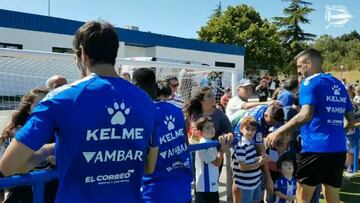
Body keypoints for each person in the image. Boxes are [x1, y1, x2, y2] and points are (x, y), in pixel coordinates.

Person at [0, 20, 159, 203]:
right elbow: (149, 167)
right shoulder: (146, 102)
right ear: (114, 54)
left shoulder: (60, 99)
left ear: (82, 54)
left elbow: (9, 165)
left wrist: (44, 152)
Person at [266, 48, 355, 203]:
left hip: (315, 148)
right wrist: (337, 130)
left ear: (309, 63)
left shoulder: (310, 82)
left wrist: (278, 131)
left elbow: (305, 114)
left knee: (302, 198)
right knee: (332, 197)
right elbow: (351, 119)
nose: (299, 71)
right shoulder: (339, 84)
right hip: (338, 149)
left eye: (300, 66)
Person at [132, 69, 193, 203]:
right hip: (183, 189)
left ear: (136, 87)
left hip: (155, 192)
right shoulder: (176, 110)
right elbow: (186, 144)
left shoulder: (142, 115)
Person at [0, 87, 49, 203]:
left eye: (48, 103)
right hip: (25, 194)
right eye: (40, 104)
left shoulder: (60, 131)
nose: (46, 108)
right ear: (29, 109)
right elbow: (5, 169)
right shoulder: (17, 134)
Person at [232, 116, 270, 203]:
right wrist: (259, 163)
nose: (250, 132)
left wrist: (261, 158)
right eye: (247, 129)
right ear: (241, 129)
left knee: (256, 199)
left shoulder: (250, 143)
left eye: (253, 129)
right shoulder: (241, 146)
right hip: (246, 184)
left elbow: (250, 159)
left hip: (254, 181)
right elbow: (243, 167)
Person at [194, 116, 228, 203]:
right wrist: (222, 149)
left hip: (212, 184)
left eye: (212, 126)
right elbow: (216, 163)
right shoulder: (203, 144)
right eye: (208, 127)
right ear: (200, 132)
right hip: (205, 187)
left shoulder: (210, 142)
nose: (212, 129)